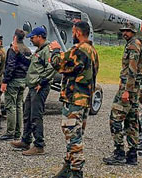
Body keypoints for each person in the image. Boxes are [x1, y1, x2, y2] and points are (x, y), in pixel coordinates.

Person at [49, 20, 99, 178]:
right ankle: (67, 168)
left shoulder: (80, 50)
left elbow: (59, 64)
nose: (72, 34)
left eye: (73, 31)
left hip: (74, 100)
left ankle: (77, 172)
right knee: (74, 134)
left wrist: (55, 51)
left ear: (78, 32)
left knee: (73, 136)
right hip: (84, 100)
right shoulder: (92, 51)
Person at [10, 26, 55, 156]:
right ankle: (25, 140)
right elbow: (30, 63)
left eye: (33, 37)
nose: (31, 40)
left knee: (36, 115)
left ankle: (39, 145)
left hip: (39, 87)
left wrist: (42, 82)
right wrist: (18, 54)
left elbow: (51, 68)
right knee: (27, 113)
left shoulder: (47, 50)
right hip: (33, 86)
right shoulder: (39, 51)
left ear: (40, 37)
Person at [103, 22, 142, 166]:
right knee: (131, 121)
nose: (124, 33)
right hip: (133, 89)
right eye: (123, 31)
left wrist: (127, 90)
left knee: (115, 119)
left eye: (127, 31)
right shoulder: (135, 44)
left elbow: (132, 69)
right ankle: (132, 155)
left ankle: (119, 152)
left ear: (133, 32)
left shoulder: (133, 46)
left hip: (128, 89)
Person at [0, 29, 31, 141]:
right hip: (22, 80)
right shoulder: (27, 49)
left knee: (10, 106)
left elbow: (10, 66)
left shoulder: (13, 49)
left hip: (13, 80)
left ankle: (10, 132)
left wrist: (5, 81)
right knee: (19, 106)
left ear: (15, 37)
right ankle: (17, 132)